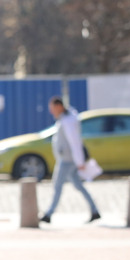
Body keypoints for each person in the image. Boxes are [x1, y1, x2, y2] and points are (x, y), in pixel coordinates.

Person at [39, 96, 101, 224]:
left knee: (57, 186)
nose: (51, 112)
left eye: (53, 108)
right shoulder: (66, 118)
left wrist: (80, 162)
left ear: (59, 106)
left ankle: (48, 214)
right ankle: (95, 211)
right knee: (78, 185)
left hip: (67, 160)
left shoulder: (67, 121)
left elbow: (74, 142)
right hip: (68, 159)